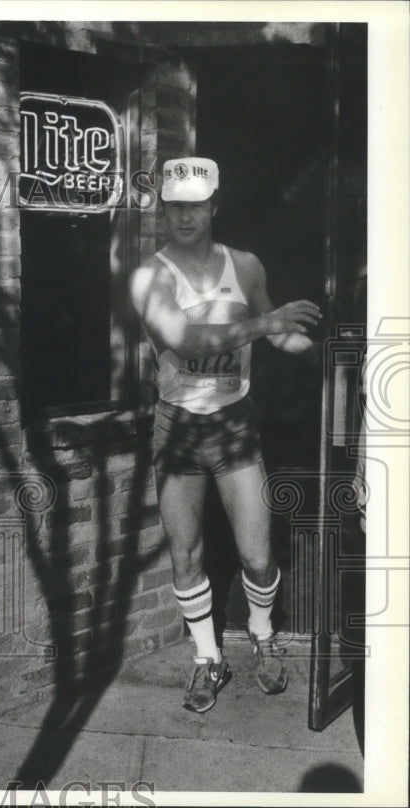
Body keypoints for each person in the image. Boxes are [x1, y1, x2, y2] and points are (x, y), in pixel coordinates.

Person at [129, 157, 322, 713]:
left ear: (214, 205)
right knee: (185, 555)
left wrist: (333, 357)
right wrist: (265, 325)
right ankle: (207, 658)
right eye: (175, 205)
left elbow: (280, 333)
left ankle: (263, 634)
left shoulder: (246, 266)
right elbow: (185, 341)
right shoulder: (151, 275)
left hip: (236, 424)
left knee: (257, 555)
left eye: (195, 204)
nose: (185, 215)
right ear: (164, 210)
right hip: (179, 429)